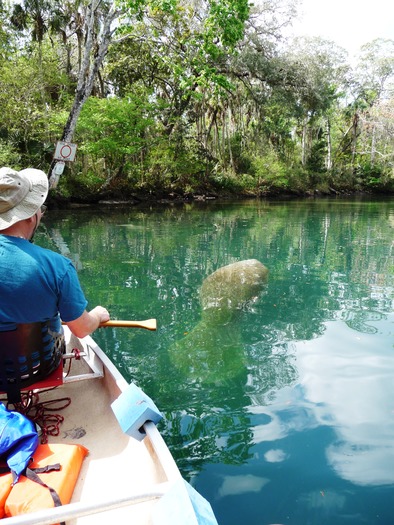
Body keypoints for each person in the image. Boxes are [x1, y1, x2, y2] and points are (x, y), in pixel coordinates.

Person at [0, 166, 110, 340]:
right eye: (40, 209)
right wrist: (97, 315)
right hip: (38, 367)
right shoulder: (58, 267)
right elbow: (81, 329)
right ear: (30, 215)